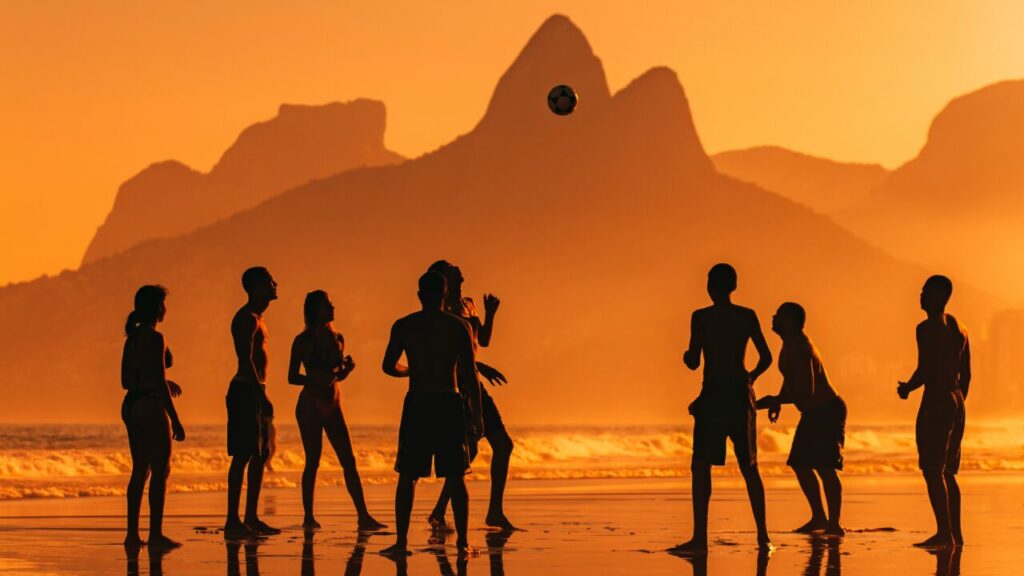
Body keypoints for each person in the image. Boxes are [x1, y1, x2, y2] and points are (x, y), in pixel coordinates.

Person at [671, 263, 773, 554]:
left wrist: (686, 356)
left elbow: (694, 362)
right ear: (734, 286)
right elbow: (766, 357)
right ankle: (763, 537)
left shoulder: (701, 317)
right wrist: (750, 378)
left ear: (710, 287)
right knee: (749, 466)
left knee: (701, 464)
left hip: (714, 393)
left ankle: (699, 538)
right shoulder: (747, 315)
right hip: (740, 393)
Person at [380, 271, 483, 557]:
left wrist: (410, 370)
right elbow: (470, 373)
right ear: (444, 294)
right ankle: (462, 543)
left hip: (418, 402)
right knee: (456, 475)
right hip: (448, 401)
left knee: (408, 475)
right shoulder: (459, 326)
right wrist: (477, 413)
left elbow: (388, 365)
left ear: (419, 295)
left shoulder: (405, 325)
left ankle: (401, 542)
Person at [425, 260, 517, 531]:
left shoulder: (468, 304)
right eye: (451, 269)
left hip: (475, 383)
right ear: (443, 279)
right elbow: (448, 354)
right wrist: (480, 367)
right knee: (469, 450)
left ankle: (494, 511)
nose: (458, 270)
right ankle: (439, 512)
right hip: (458, 386)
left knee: (503, 445)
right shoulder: (443, 312)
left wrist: (490, 314)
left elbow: (482, 341)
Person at [288, 290, 386, 530]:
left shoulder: (338, 338)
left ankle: (363, 516)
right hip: (310, 405)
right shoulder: (302, 341)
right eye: (327, 305)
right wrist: (314, 380)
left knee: (348, 460)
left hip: (333, 403)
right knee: (313, 461)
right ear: (316, 310)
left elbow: (337, 375)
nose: (333, 308)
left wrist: (346, 371)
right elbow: (292, 377)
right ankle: (308, 517)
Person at [757, 302, 846, 535]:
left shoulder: (800, 347)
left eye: (778, 315)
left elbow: (807, 391)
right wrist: (778, 399)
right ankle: (819, 517)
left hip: (827, 409)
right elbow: (791, 380)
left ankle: (834, 524)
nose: (773, 317)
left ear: (790, 321)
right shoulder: (789, 344)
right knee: (800, 463)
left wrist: (773, 400)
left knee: (825, 467)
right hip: (814, 411)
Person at [898, 275, 970, 549]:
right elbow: (967, 374)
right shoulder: (961, 328)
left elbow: (925, 369)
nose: (921, 294)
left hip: (937, 400)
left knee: (932, 469)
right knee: (948, 471)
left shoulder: (926, 328)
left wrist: (908, 387)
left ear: (940, 296)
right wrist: (957, 403)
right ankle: (955, 535)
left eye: (926, 291)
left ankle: (944, 534)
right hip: (956, 399)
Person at [121, 284, 186, 549]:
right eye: (163, 304)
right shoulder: (156, 338)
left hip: (131, 405)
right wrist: (175, 418)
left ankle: (132, 535)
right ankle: (156, 534)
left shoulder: (132, 339)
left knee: (140, 469)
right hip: (150, 405)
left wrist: (158, 381)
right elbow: (159, 380)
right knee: (161, 469)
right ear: (158, 308)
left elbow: (126, 381)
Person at [224, 266, 281, 538]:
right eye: (270, 282)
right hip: (246, 390)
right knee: (243, 455)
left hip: (256, 389)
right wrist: (261, 394)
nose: (275, 284)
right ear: (256, 287)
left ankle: (251, 517)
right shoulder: (246, 319)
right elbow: (245, 360)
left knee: (260, 455)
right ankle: (232, 520)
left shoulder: (259, 319)